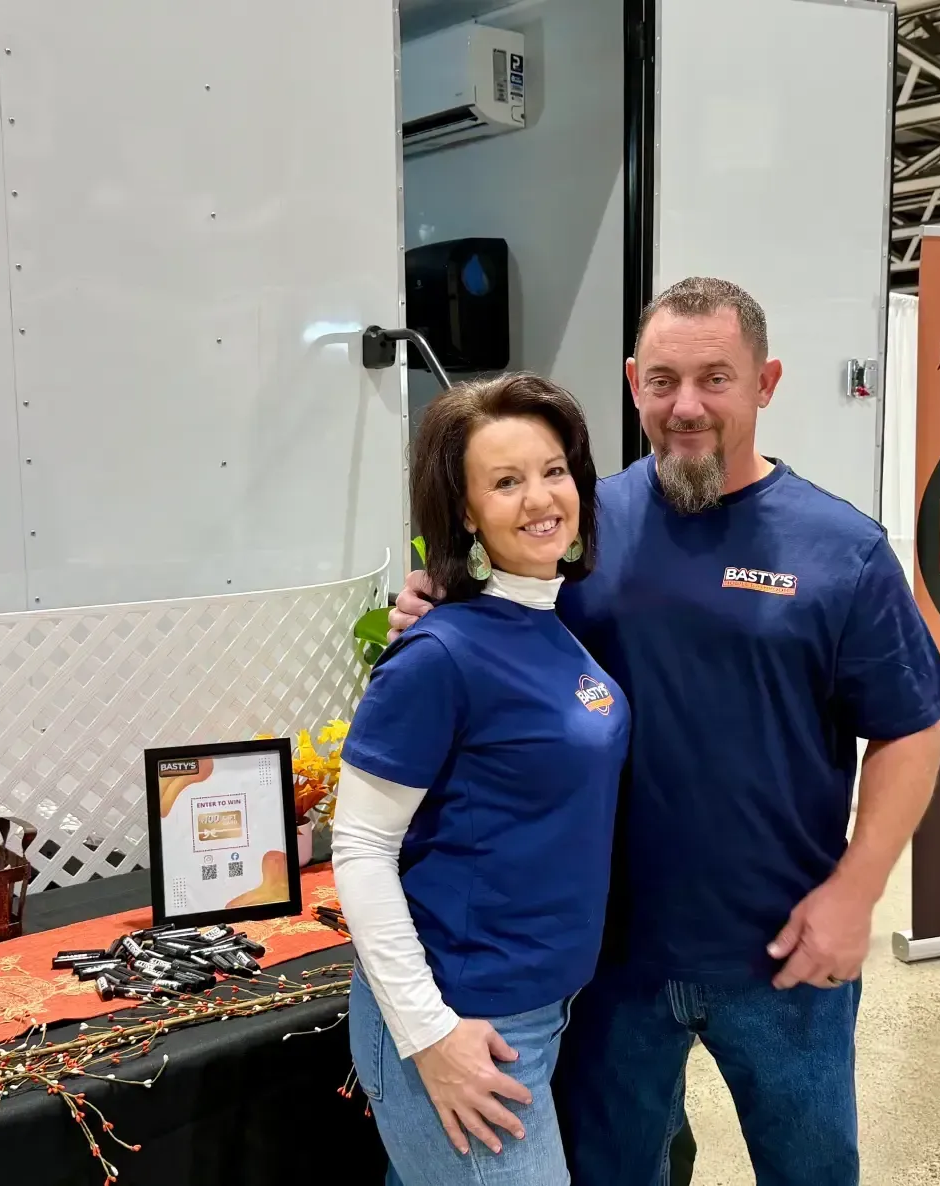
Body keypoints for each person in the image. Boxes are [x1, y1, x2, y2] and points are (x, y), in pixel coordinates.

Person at [389, 277, 940, 1185]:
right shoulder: (575, 529)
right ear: (631, 382)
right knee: (615, 1171)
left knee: (811, 1169)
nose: (685, 406)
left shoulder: (841, 550)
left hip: (784, 951)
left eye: (715, 379)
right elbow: (491, 633)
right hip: (611, 958)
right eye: (661, 381)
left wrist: (858, 891)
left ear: (766, 383)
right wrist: (430, 600)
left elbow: (911, 732)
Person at [332, 373, 628, 1185]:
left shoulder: (553, 628)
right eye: (505, 481)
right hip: (466, 1022)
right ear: (465, 512)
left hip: (544, 1009)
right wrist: (430, 1035)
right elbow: (358, 848)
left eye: (554, 469)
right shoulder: (440, 654)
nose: (540, 497)